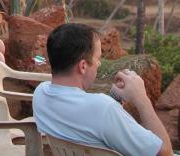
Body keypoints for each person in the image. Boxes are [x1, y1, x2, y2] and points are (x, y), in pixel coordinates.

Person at [33, 23, 173, 156]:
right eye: (97, 58)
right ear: (83, 66)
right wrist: (142, 99)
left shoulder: (40, 94)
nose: (99, 64)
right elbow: (165, 153)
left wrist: (114, 98)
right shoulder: (104, 109)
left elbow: (87, 117)